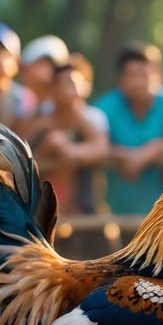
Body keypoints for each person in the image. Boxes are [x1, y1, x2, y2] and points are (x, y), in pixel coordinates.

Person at [93, 42, 163, 215]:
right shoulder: (107, 105)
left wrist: (150, 150)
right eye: (132, 75)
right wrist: (119, 154)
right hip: (117, 210)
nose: (139, 82)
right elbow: (91, 137)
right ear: (121, 80)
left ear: (158, 76)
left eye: (145, 74)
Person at [25, 53, 109, 215]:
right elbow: (19, 156)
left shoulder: (91, 120)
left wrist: (71, 151)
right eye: (59, 83)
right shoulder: (40, 121)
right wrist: (48, 147)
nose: (65, 88)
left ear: (85, 86)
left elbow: (102, 149)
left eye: (71, 82)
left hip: (82, 204)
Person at [18, 35, 72, 128]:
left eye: (52, 66)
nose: (47, 71)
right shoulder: (17, 104)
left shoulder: (70, 109)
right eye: (41, 64)